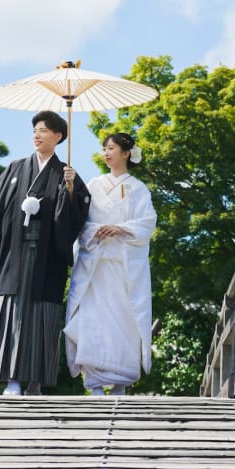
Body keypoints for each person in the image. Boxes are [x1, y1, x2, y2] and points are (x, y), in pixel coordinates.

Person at [0, 110, 89, 396]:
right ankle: (12, 380)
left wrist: (70, 191)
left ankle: (35, 381)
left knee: (41, 316)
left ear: (58, 137)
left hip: (47, 258)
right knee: (12, 312)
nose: (37, 135)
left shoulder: (66, 175)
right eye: (35, 130)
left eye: (44, 131)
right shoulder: (15, 169)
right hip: (14, 254)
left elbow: (75, 218)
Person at [64, 132, 157, 395]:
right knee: (93, 320)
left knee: (124, 321)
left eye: (112, 148)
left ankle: (120, 382)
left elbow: (147, 222)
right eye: (104, 148)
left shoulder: (138, 188)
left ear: (126, 153)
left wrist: (121, 228)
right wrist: (71, 189)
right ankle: (93, 383)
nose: (106, 152)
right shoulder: (93, 184)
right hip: (96, 265)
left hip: (123, 267)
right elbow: (79, 219)